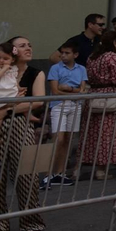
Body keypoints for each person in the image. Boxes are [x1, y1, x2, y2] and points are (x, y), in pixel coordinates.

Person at [0, 37, 47, 231]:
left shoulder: (35, 73)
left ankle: (30, 221)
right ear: (12, 50)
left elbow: (38, 101)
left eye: (30, 44)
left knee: (26, 173)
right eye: (22, 45)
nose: (28, 48)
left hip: (19, 123)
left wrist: (5, 111)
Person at [79, 31, 116, 181]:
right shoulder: (112, 57)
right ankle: (101, 169)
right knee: (107, 134)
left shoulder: (92, 57)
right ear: (113, 42)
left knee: (90, 133)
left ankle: (82, 165)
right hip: (109, 97)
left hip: (93, 95)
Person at [43, 42, 88, 188]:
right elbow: (55, 91)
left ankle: (60, 173)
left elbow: (83, 90)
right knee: (58, 138)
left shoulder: (81, 69)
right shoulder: (55, 68)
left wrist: (69, 89)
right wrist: (74, 91)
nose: (63, 55)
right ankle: (48, 174)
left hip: (75, 105)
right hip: (59, 104)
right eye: (62, 53)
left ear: (75, 55)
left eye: (67, 53)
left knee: (68, 139)